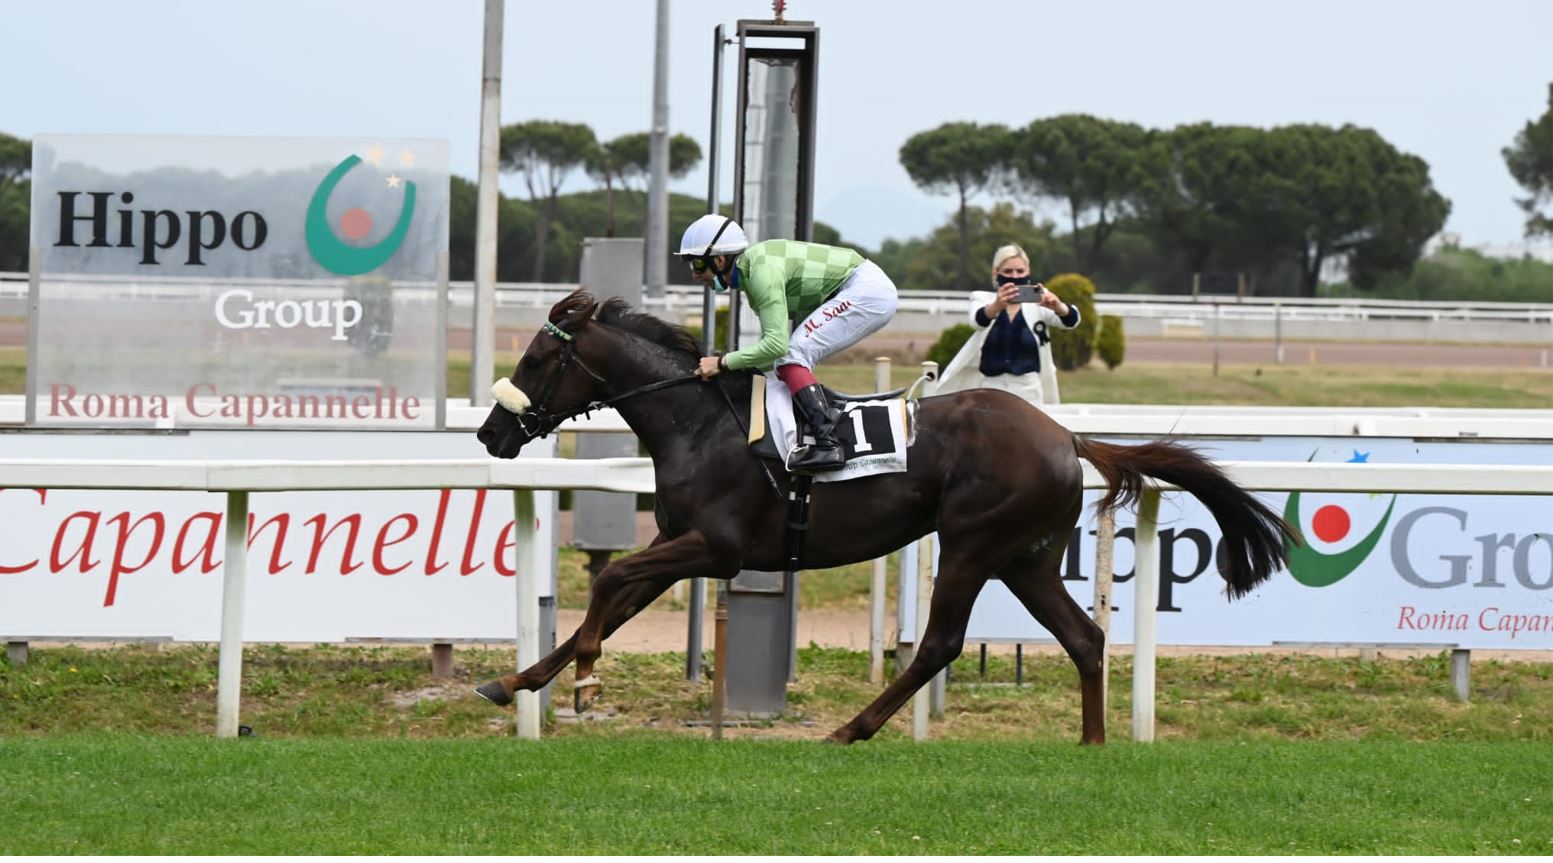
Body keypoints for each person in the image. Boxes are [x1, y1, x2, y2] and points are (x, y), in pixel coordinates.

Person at [677, 214, 899, 472]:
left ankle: (828, 444)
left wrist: (722, 362)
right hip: (861, 288)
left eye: (697, 264)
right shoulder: (752, 273)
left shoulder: (760, 273)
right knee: (788, 361)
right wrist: (729, 368)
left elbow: (776, 346)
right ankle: (809, 433)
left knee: (792, 355)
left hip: (866, 291)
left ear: (719, 260)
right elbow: (771, 355)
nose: (695, 275)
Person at [936, 244, 1081, 406]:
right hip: (990, 390)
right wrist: (996, 306)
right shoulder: (982, 299)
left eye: (1020, 271)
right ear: (996, 273)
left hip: (1029, 391)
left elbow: (1071, 321)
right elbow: (977, 321)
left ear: (1028, 272)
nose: (1014, 276)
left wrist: (1058, 306)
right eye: (1008, 271)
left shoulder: (1038, 301)